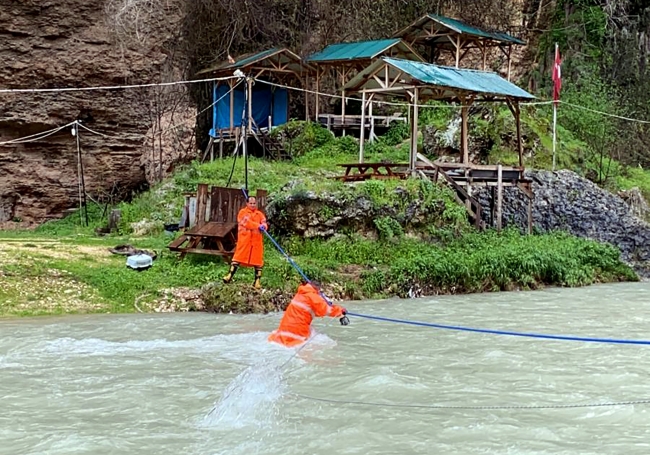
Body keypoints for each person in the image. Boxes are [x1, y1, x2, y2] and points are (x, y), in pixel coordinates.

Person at [268, 280, 347, 347]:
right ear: (318, 289)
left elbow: (314, 311)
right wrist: (341, 311)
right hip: (297, 331)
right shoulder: (313, 297)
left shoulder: (300, 294)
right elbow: (326, 310)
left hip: (284, 329)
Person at [223, 196, 268, 288]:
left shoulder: (259, 214)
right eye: (250, 203)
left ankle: (257, 282)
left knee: (257, 260)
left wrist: (264, 226)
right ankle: (229, 276)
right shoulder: (242, 212)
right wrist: (257, 226)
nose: (252, 205)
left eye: (254, 203)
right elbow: (246, 222)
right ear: (247, 204)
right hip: (244, 240)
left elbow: (264, 222)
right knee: (238, 258)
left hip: (256, 241)